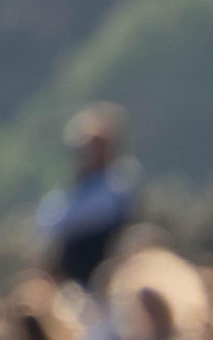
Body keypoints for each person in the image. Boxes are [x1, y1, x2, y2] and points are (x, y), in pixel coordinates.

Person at [35, 103, 137, 287]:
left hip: (105, 282)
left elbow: (88, 214)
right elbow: (45, 222)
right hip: (72, 282)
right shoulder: (75, 187)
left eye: (94, 146)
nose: (87, 154)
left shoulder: (117, 183)